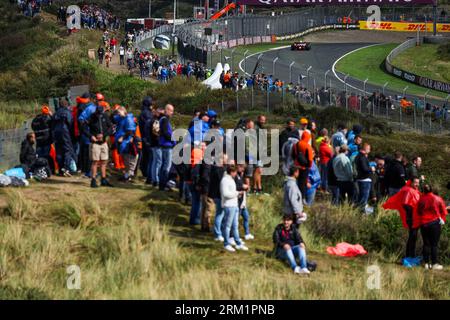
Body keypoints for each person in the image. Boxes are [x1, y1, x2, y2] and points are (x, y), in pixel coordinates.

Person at [383, 177, 421, 260]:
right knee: (412, 236)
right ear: (411, 183)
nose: (417, 184)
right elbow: (405, 204)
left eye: (418, 182)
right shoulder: (409, 190)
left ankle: (410, 255)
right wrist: (411, 215)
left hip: (415, 218)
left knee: (413, 236)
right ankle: (409, 256)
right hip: (412, 218)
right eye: (415, 183)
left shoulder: (414, 190)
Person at [82, 105, 113, 188]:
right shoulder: (91, 117)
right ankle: (93, 180)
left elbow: (110, 127)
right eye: (97, 113)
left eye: (100, 113)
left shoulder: (105, 116)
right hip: (95, 143)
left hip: (104, 143)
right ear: (96, 111)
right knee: (95, 162)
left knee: (104, 161)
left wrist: (104, 135)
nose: (99, 115)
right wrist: (91, 136)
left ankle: (103, 179)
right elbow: (83, 128)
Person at [417, 184, 447, 270]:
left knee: (426, 244)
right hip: (434, 223)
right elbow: (444, 211)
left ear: (423, 190)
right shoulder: (437, 198)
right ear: (431, 189)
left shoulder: (421, 199)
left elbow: (419, 211)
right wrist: (443, 220)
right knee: (434, 244)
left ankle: (426, 264)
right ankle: (434, 264)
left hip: (423, 223)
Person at [221, 165, 249, 252]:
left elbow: (232, 191)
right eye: (235, 172)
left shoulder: (231, 180)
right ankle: (226, 243)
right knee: (228, 226)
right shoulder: (225, 180)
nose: (236, 174)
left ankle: (238, 243)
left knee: (235, 226)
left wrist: (237, 193)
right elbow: (225, 194)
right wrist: (237, 193)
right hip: (229, 206)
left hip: (234, 205)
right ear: (232, 172)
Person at [53, 99, 77, 176]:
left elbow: (52, 124)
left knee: (59, 150)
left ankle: (60, 168)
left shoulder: (55, 113)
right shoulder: (67, 112)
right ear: (66, 105)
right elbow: (70, 122)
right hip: (65, 132)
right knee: (67, 150)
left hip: (56, 133)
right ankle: (67, 168)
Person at [157, 104, 176, 190]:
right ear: (167, 110)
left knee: (164, 165)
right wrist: (173, 139)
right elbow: (165, 133)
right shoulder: (164, 120)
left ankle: (162, 184)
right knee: (166, 166)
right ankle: (163, 185)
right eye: (171, 111)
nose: (172, 113)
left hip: (165, 145)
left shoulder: (164, 119)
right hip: (166, 145)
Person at [31, 105, 54, 173]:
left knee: (39, 156)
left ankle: (39, 170)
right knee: (46, 156)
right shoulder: (48, 118)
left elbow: (32, 126)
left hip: (38, 140)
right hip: (46, 140)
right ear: (47, 111)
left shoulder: (36, 119)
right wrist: (51, 115)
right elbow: (54, 123)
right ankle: (47, 170)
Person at [292, 131, 314, 198]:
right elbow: (310, 160)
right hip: (304, 168)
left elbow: (293, 155)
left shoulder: (295, 144)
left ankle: (294, 197)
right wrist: (309, 167)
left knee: (295, 183)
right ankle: (301, 199)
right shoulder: (308, 146)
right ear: (308, 138)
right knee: (302, 185)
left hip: (296, 167)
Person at [236, 164, 254, 240]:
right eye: (242, 168)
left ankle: (247, 233)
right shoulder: (236, 176)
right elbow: (237, 186)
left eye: (244, 169)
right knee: (235, 220)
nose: (243, 170)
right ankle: (234, 235)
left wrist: (247, 188)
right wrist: (243, 186)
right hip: (238, 202)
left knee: (246, 217)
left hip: (243, 203)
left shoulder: (241, 176)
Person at [355, 143, 373, 209]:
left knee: (361, 198)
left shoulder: (358, 156)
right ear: (365, 149)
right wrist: (371, 169)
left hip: (361, 179)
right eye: (369, 149)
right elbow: (365, 169)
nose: (370, 151)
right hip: (364, 180)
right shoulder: (362, 157)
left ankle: (360, 212)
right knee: (363, 199)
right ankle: (362, 213)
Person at [138, 97, 153, 178]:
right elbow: (149, 126)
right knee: (148, 156)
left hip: (144, 137)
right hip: (147, 137)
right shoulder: (147, 113)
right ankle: (146, 172)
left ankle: (144, 171)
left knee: (145, 155)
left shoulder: (143, 112)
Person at [253, 115, 266, 194]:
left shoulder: (261, 128)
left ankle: (259, 187)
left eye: (264, 120)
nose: (263, 122)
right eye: (262, 120)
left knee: (259, 170)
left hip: (260, 151)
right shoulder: (255, 128)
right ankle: (255, 188)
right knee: (257, 170)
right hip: (255, 152)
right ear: (258, 119)